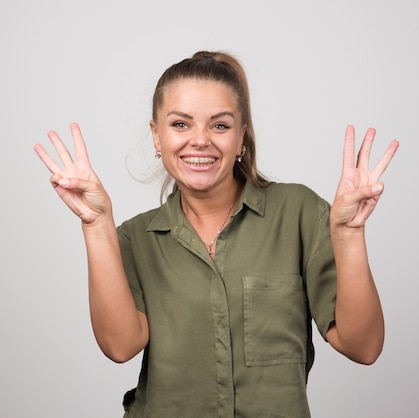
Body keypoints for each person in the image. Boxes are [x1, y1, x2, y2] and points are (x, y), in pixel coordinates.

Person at [34, 51, 399, 417]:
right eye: (180, 124)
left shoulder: (299, 213)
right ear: (156, 137)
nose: (200, 141)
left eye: (220, 126)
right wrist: (96, 225)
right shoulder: (133, 239)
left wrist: (350, 233)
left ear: (241, 138)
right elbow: (120, 346)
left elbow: (363, 347)